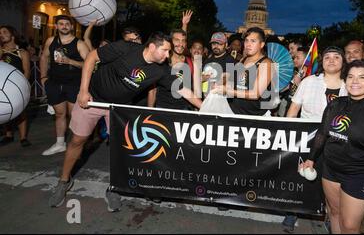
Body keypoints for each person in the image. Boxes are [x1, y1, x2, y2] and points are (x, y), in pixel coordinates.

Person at [48, 33, 202, 211]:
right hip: (93, 98)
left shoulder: (160, 70)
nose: (168, 55)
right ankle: (64, 181)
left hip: (119, 109)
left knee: (121, 149)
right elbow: (92, 57)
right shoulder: (125, 48)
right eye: (165, 51)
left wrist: (205, 108)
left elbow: (184, 90)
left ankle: (114, 188)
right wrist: (83, 90)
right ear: (152, 47)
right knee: (77, 140)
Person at [300, 60, 364, 234]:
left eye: (362, 77)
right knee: (334, 214)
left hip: (361, 174)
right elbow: (322, 133)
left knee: (350, 226)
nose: (355, 81)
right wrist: (311, 158)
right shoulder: (335, 104)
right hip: (330, 170)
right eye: (351, 76)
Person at [283, 46, 347, 231]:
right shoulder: (309, 82)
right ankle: (292, 212)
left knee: (332, 182)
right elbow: (293, 109)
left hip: (337, 142)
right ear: (322, 61)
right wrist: (289, 132)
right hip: (308, 138)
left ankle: (329, 214)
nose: (332, 60)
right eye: (327, 57)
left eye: (337, 57)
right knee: (300, 177)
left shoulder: (350, 86)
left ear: (343, 62)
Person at [39, 15, 90, 156]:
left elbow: (90, 64)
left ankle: (76, 145)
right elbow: (44, 57)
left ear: (72, 26)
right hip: (55, 84)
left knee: (74, 116)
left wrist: (70, 61)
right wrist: (43, 77)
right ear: (56, 26)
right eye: (61, 24)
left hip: (74, 84)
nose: (64, 26)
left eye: (67, 24)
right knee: (60, 114)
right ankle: (60, 144)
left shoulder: (79, 43)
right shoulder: (51, 41)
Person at [213, 27, 272, 116]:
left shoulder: (266, 63)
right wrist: (220, 80)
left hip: (255, 118)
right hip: (235, 112)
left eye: (253, 41)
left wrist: (228, 91)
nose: (248, 44)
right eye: (246, 41)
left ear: (261, 44)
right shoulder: (243, 59)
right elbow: (234, 81)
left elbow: (255, 94)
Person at [0, 25, 31, 147]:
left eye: (4, 32)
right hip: (3, 87)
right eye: (0, 33)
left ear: (12, 35)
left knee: (21, 112)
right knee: (5, 109)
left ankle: (23, 138)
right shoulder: (0, 51)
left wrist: (24, 87)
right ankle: (8, 135)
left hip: (18, 87)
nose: (1, 35)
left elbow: (27, 71)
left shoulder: (22, 52)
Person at [202, 32, 236, 96]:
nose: (216, 46)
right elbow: (201, 79)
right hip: (206, 98)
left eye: (219, 44)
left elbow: (227, 79)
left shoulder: (230, 60)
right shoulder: (207, 60)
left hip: (221, 99)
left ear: (226, 45)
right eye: (213, 44)